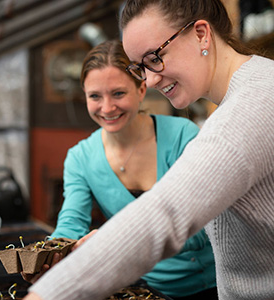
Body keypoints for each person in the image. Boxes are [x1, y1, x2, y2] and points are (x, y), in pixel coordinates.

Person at [24, 0, 274, 299]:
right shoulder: (248, 94)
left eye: (155, 57)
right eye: (141, 67)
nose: (152, 79)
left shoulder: (251, 107)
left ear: (201, 35)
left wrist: (46, 294)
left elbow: (165, 215)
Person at [23, 40, 217, 299]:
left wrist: (112, 242)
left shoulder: (183, 136)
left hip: (214, 285)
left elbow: (203, 226)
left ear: (141, 89)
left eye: (118, 93)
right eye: (95, 96)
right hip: (146, 291)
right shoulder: (80, 158)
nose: (107, 108)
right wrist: (49, 258)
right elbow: (70, 226)